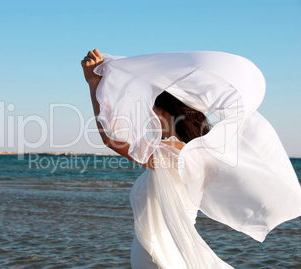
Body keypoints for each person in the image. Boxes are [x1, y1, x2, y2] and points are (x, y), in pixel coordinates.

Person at [81, 49, 301, 268]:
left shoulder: (168, 153)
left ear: (160, 110)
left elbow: (111, 138)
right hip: (170, 250)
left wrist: (94, 83)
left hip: (158, 254)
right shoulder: (205, 155)